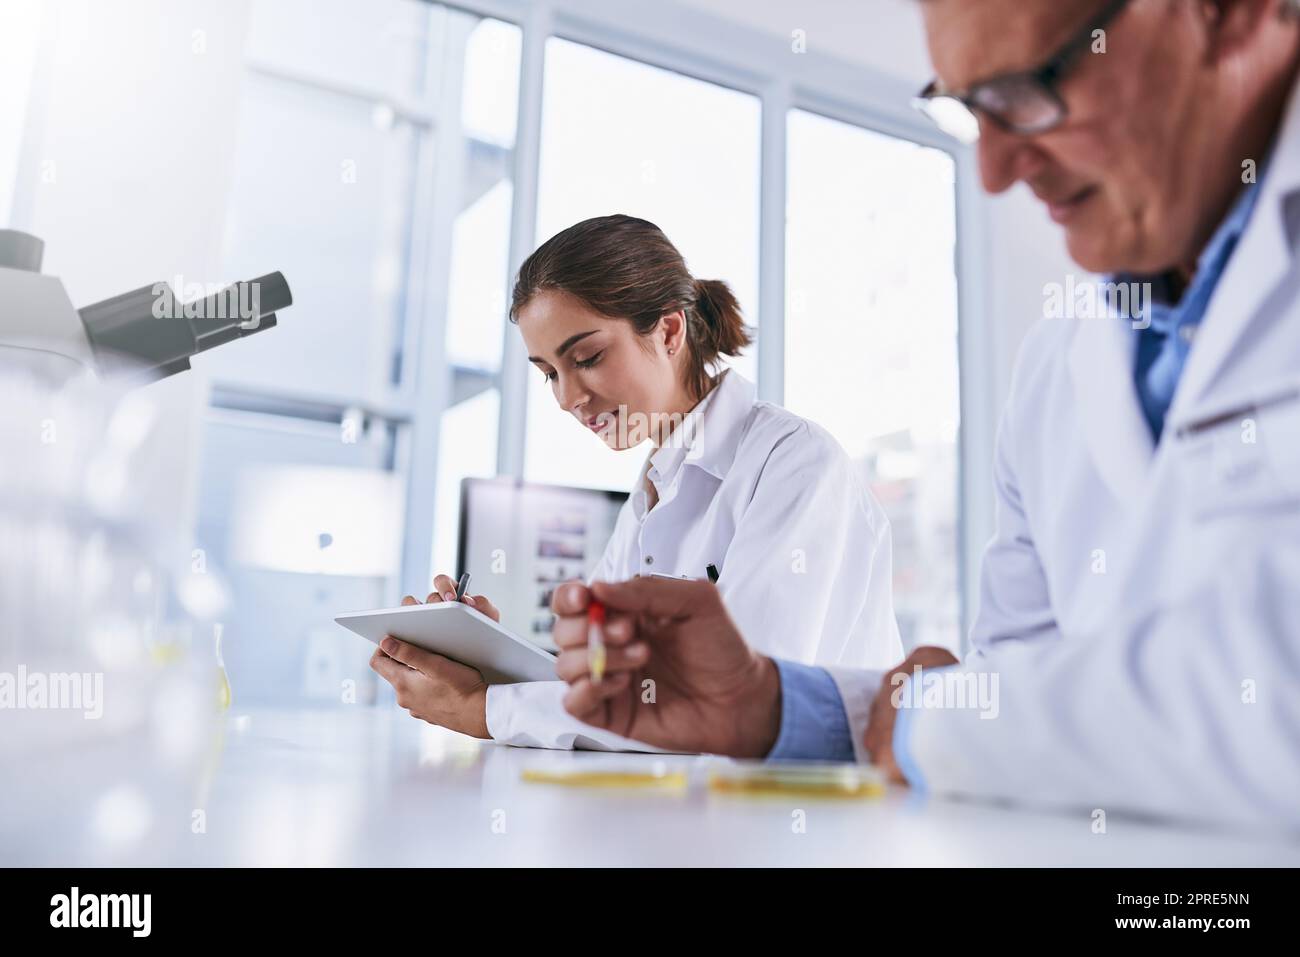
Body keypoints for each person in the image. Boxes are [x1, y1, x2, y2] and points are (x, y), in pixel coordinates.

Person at [548, 0, 1300, 830]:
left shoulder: (794, 460)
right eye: (972, 107)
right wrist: (772, 705)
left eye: (1030, 85)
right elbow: (1014, 695)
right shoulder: (1057, 366)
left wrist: (933, 716)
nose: (996, 171)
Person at [370, 214, 902, 749]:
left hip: (824, 814)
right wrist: (484, 665)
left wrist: (488, 709)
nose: (566, 397)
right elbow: (607, 689)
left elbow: (732, 702)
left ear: (669, 331)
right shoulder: (653, 489)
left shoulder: (794, 461)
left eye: (587, 358)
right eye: (550, 373)